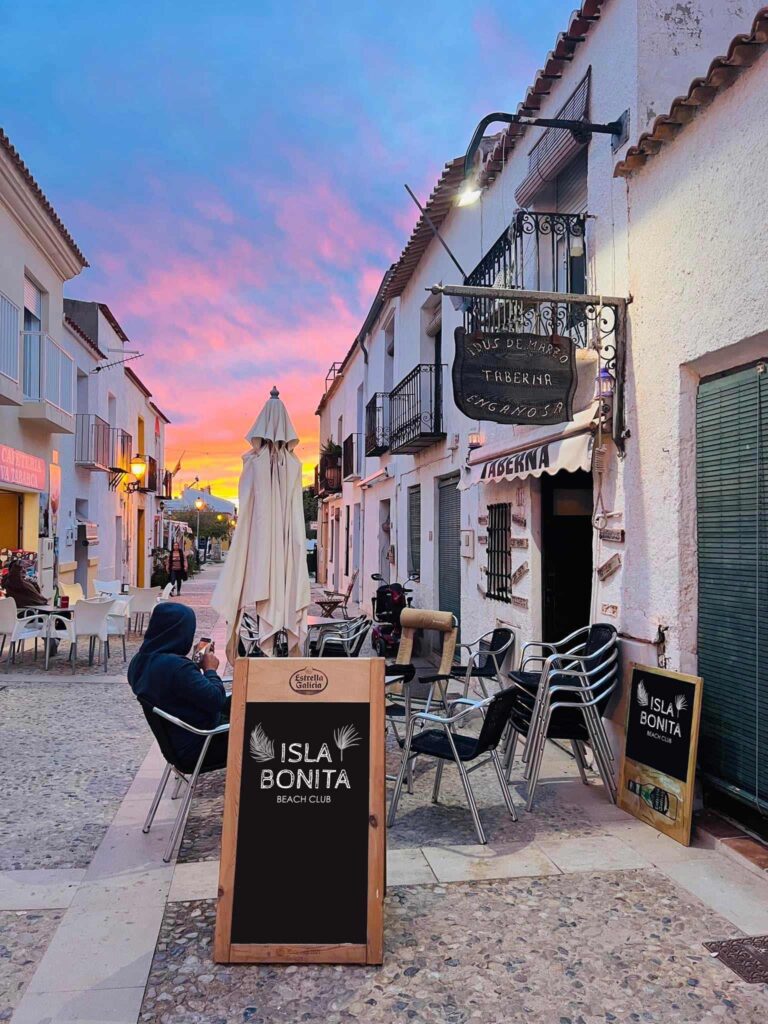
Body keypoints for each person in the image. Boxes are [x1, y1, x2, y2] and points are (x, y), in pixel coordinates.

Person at [128, 602, 229, 771]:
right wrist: (210, 669)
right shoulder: (177, 668)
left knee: (241, 705)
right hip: (202, 744)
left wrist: (196, 661)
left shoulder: (139, 661)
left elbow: (180, 689)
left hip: (177, 744)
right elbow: (216, 700)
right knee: (262, 726)